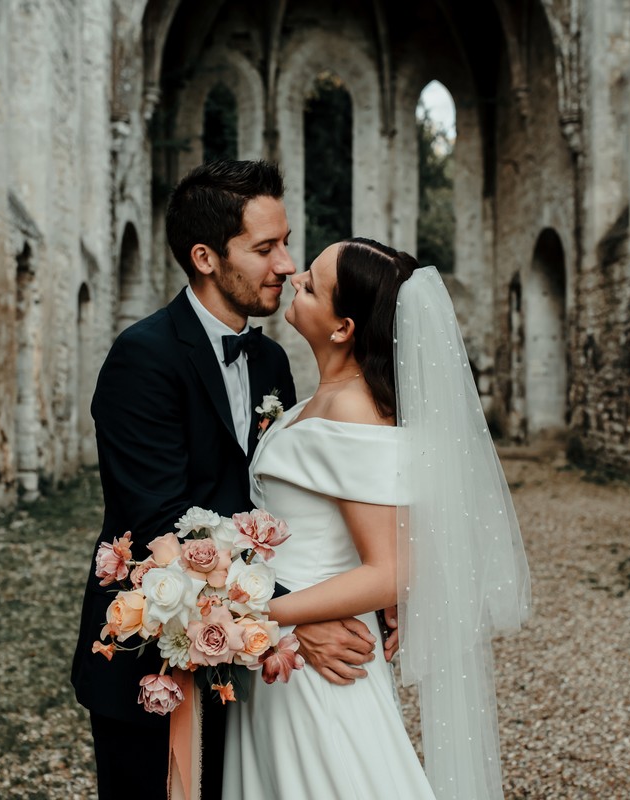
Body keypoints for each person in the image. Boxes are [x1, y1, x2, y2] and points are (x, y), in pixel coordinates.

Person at [71, 161, 392, 800]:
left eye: (286, 241)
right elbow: (163, 523)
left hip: (251, 670)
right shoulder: (144, 357)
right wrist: (294, 618)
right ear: (207, 257)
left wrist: (312, 605)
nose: (285, 264)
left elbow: (279, 508)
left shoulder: (273, 358)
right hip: (154, 653)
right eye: (265, 248)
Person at [224, 238, 532, 800]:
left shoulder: (355, 410)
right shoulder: (323, 401)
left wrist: (260, 615)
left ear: (343, 328)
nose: (295, 278)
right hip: (290, 654)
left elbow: (390, 571)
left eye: (312, 283)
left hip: (318, 663)